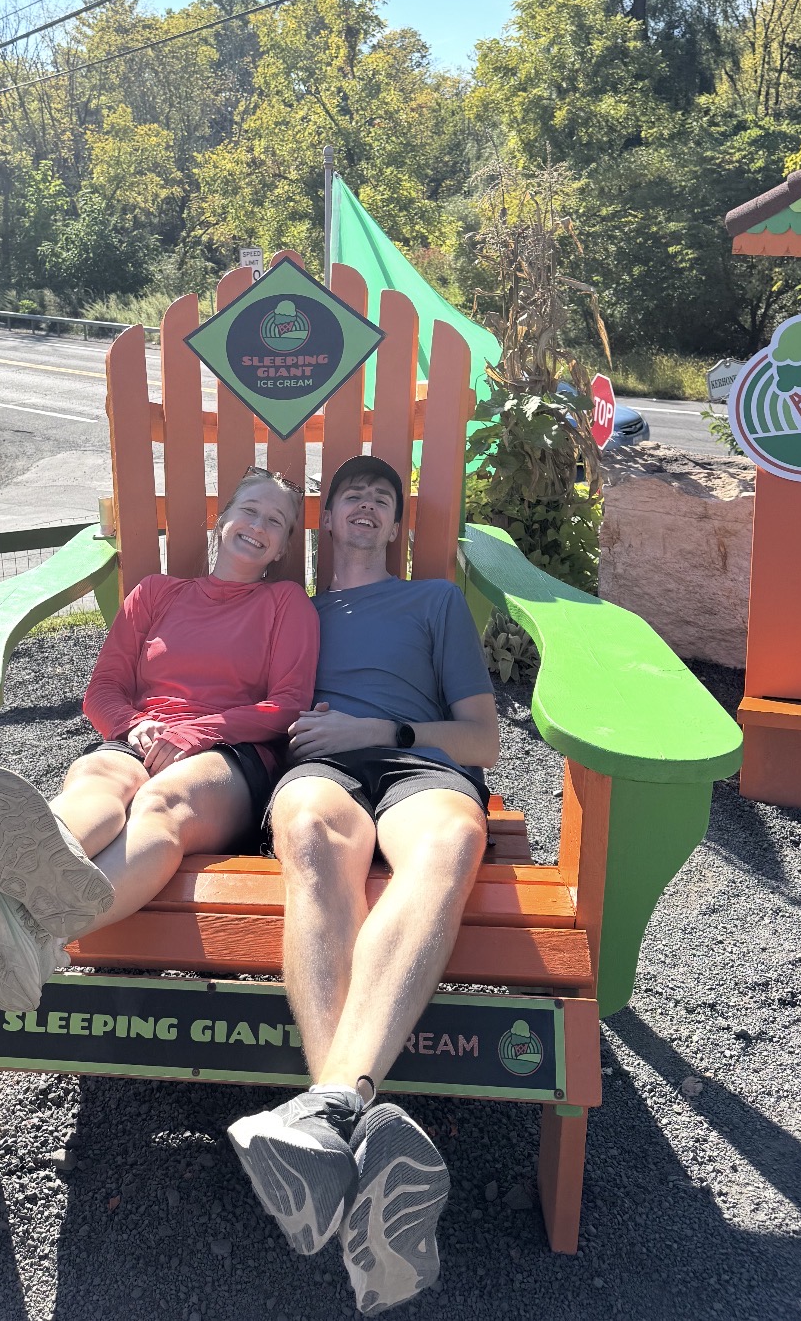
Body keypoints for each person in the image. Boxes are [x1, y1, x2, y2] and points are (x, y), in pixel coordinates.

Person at [227, 455, 500, 1317]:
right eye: (353, 494)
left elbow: (483, 740)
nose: (368, 505)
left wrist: (382, 724)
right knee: (307, 832)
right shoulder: (289, 612)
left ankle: (325, 1121)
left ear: (394, 525)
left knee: (454, 838)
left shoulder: (434, 601)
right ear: (327, 520)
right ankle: (349, 1120)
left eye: (382, 498)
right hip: (320, 776)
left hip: (417, 761)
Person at [0, 468, 319, 1012]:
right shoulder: (156, 595)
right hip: (143, 737)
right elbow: (103, 689)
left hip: (230, 755)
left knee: (162, 801)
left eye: (276, 521)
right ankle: (18, 908)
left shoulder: (285, 603)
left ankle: (30, 929)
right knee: (99, 777)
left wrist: (196, 732)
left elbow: (288, 703)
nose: (259, 525)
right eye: (249, 509)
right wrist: (134, 727)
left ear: (284, 546)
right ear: (222, 519)